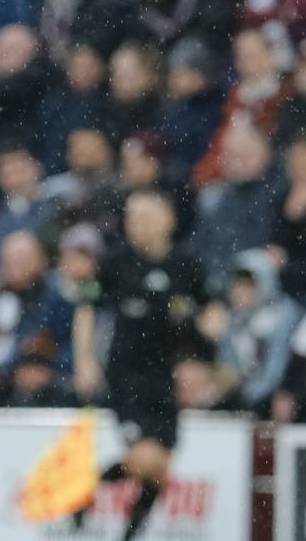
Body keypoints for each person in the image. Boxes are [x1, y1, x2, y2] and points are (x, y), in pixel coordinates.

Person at [70, 191, 211, 539]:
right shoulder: (117, 264)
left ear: (168, 221)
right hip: (126, 376)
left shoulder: (187, 265)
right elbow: (86, 310)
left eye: (145, 217)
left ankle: (126, 529)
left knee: (161, 469)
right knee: (144, 459)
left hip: (167, 377)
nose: (137, 226)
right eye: (131, 219)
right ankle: (85, 497)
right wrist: (85, 360)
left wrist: (203, 362)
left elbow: (213, 310)